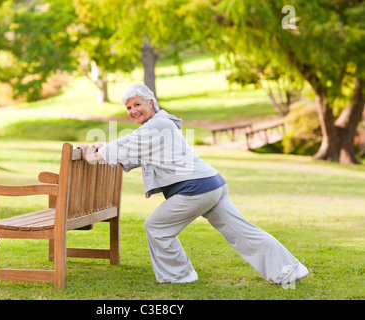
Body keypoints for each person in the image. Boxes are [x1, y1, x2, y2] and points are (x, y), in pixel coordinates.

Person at [77, 83, 308, 284]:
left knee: (156, 227)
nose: (132, 111)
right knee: (243, 232)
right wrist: (97, 151)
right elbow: (129, 155)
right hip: (213, 185)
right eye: (128, 108)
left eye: (137, 105)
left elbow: (126, 144)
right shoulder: (157, 126)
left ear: (150, 102)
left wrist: (92, 155)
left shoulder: (158, 126)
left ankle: (179, 275)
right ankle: (290, 270)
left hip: (197, 189)